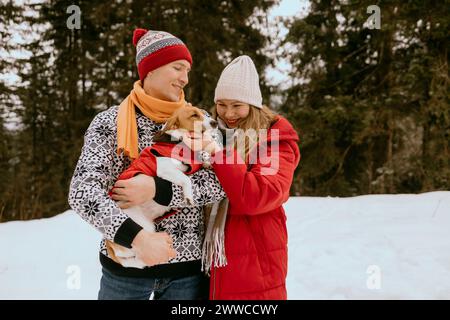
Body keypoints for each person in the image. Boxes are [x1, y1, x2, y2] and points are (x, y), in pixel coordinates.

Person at [68, 27, 226, 300]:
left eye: (188, 70)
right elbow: (83, 192)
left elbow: (223, 181)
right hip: (125, 272)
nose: (185, 79)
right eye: (178, 68)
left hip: (185, 273)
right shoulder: (109, 122)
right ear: (150, 69)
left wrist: (158, 189)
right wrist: (138, 238)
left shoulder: (199, 120)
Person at [201, 55, 301, 299]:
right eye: (222, 104)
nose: (228, 113)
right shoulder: (208, 131)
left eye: (237, 105)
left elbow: (259, 195)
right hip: (208, 263)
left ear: (253, 104)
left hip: (256, 264)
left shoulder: (274, 140)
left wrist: (219, 155)